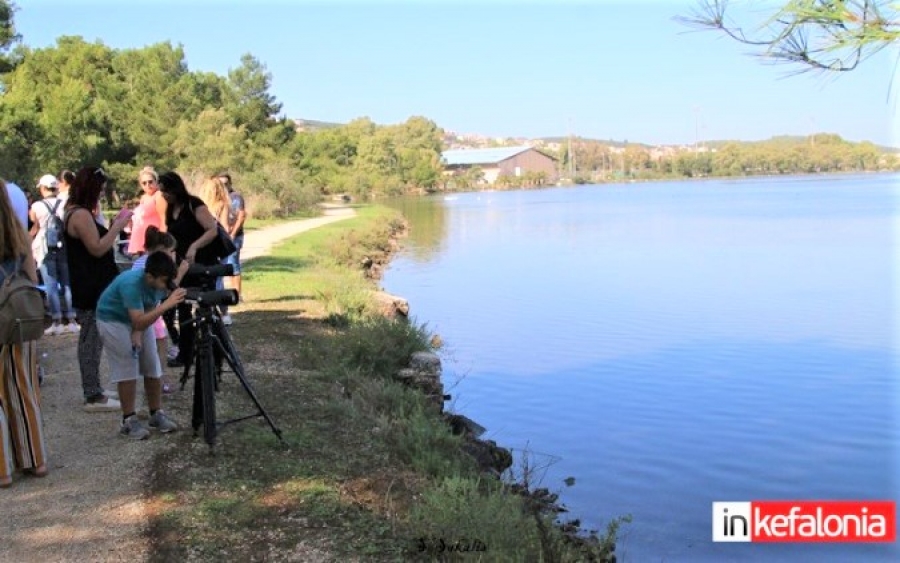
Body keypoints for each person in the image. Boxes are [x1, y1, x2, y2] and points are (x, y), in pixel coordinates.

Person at [96, 250, 186, 439]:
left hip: (135, 319)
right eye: (163, 281)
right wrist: (166, 306)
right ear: (149, 276)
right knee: (127, 367)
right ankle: (128, 420)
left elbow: (150, 305)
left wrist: (138, 332)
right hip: (112, 319)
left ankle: (156, 414)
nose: (166, 286)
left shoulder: (160, 283)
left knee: (152, 365)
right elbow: (139, 319)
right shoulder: (131, 284)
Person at [64, 166, 132, 412]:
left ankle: (95, 388)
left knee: (94, 339)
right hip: (90, 287)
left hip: (93, 284)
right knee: (91, 340)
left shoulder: (79, 212)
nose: (102, 192)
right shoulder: (80, 215)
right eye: (100, 188)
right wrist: (117, 227)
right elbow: (97, 248)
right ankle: (92, 394)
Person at [0, 179, 48, 487]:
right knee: (24, 389)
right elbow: (32, 277)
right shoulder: (16, 230)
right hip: (19, 316)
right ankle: (35, 459)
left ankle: (3, 469)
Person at [156, 171, 218, 370]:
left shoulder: (195, 204)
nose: (164, 195)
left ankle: (212, 350)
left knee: (203, 308)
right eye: (161, 192)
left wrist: (195, 246)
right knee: (179, 308)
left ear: (175, 189)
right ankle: (185, 352)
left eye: (166, 191)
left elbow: (212, 229)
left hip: (201, 263)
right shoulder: (170, 209)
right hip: (180, 266)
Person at [131, 226, 179, 393]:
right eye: (170, 251)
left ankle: (156, 380)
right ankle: (160, 380)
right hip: (149, 312)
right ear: (161, 249)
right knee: (160, 346)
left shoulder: (139, 261)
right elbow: (168, 289)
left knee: (154, 347)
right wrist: (183, 271)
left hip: (143, 310)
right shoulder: (153, 266)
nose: (172, 256)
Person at [29, 175, 79, 335]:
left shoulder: (37, 205)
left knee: (51, 285)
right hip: (63, 245)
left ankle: (56, 321)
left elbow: (35, 225)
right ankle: (71, 318)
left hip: (45, 248)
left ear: (43, 188)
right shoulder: (64, 203)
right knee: (67, 283)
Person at [198, 176, 234, 325]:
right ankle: (222, 312)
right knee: (218, 278)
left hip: (205, 246)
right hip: (218, 247)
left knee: (208, 278)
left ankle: (210, 309)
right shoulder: (222, 204)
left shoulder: (200, 207)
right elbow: (225, 227)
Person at [217, 173, 246, 302]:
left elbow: (241, 216)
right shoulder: (218, 198)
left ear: (230, 184)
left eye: (225, 183)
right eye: (220, 183)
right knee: (222, 265)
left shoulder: (236, 197)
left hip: (234, 236)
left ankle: (237, 294)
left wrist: (233, 234)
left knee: (233, 263)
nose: (223, 186)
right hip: (221, 236)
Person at [127, 166, 166, 256]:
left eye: (150, 182)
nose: (148, 185)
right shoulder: (144, 197)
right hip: (140, 240)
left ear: (156, 181)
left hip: (152, 240)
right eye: (144, 183)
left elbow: (163, 219)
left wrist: (162, 241)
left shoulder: (159, 195)